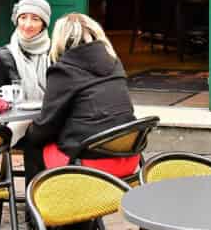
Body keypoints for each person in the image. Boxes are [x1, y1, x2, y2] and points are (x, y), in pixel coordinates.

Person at [19, 13, 135, 185]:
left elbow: (45, 127)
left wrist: (26, 132)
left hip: (89, 165)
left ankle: (38, 208)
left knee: (32, 142)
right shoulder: (115, 64)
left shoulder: (64, 70)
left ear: (60, 39)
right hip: (128, 160)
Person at [0, 0, 52, 144]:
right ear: (17, 20)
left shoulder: (55, 51)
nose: (27, 24)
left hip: (50, 118)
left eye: (35, 19)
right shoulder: (5, 55)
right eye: (23, 17)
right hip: (17, 120)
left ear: (44, 24)